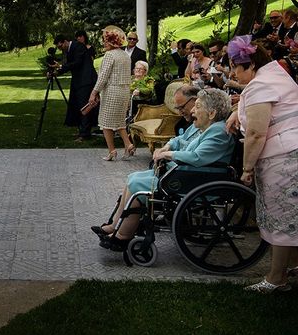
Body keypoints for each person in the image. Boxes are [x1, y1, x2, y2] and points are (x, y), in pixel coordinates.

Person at [92, 88, 234, 251]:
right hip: (187, 175)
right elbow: (185, 144)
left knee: (137, 187)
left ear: (211, 113)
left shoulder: (218, 132)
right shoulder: (208, 128)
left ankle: (123, 236)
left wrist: (168, 154)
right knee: (133, 178)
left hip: (196, 181)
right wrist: (168, 151)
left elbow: (197, 157)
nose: (193, 110)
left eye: (198, 106)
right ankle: (116, 225)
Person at [225, 36, 298, 293]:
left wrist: (246, 169)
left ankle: (276, 279)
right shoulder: (275, 73)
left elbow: (256, 133)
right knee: (291, 215)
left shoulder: (259, 85)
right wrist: (237, 111)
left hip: (284, 157)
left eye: (236, 67)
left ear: (251, 65)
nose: (233, 73)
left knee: (282, 218)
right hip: (292, 152)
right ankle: (292, 265)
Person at [88, 26, 133, 161]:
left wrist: (94, 92)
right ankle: (128, 144)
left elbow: (103, 76)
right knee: (119, 120)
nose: (103, 43)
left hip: (112, 90)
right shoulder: (125, 54)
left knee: (106, 121)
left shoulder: (110, 55)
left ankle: (112, 151)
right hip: (124, 90)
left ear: (111, 42)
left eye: (105, 41)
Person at [52, 34, 98, 141]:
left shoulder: (78, 46)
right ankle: (81, 130)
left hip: (86, 80)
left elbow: (77, 63)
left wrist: (61, 66)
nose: (60, 49)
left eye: (60, 46)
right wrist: (58, 71)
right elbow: (70, 64)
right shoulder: (70, 49)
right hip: (78, 80)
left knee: (85, 107)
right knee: (76, 105)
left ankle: (85, 133)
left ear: (64, 41)